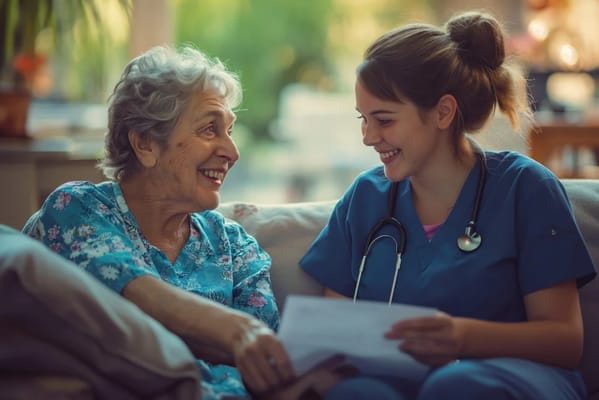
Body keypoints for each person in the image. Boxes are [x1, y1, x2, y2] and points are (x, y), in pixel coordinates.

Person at [300, 11, 597, 400]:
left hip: (516, 378)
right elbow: (334, 332)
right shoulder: (365, 200)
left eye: (384, 120)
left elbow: (564, 341)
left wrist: (463, 337)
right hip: (398, 382)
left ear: (443, 111)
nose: (368, 137)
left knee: (456, 387)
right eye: (364, 119)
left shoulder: (526, 189)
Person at [21, 45, 347, 400]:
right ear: (146, 144)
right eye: (210, 129)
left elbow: (266, 367)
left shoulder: (235, 246)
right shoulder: (78, 208)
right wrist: (237, 333)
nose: (232, 152)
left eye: (230, 131)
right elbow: (132, 291)